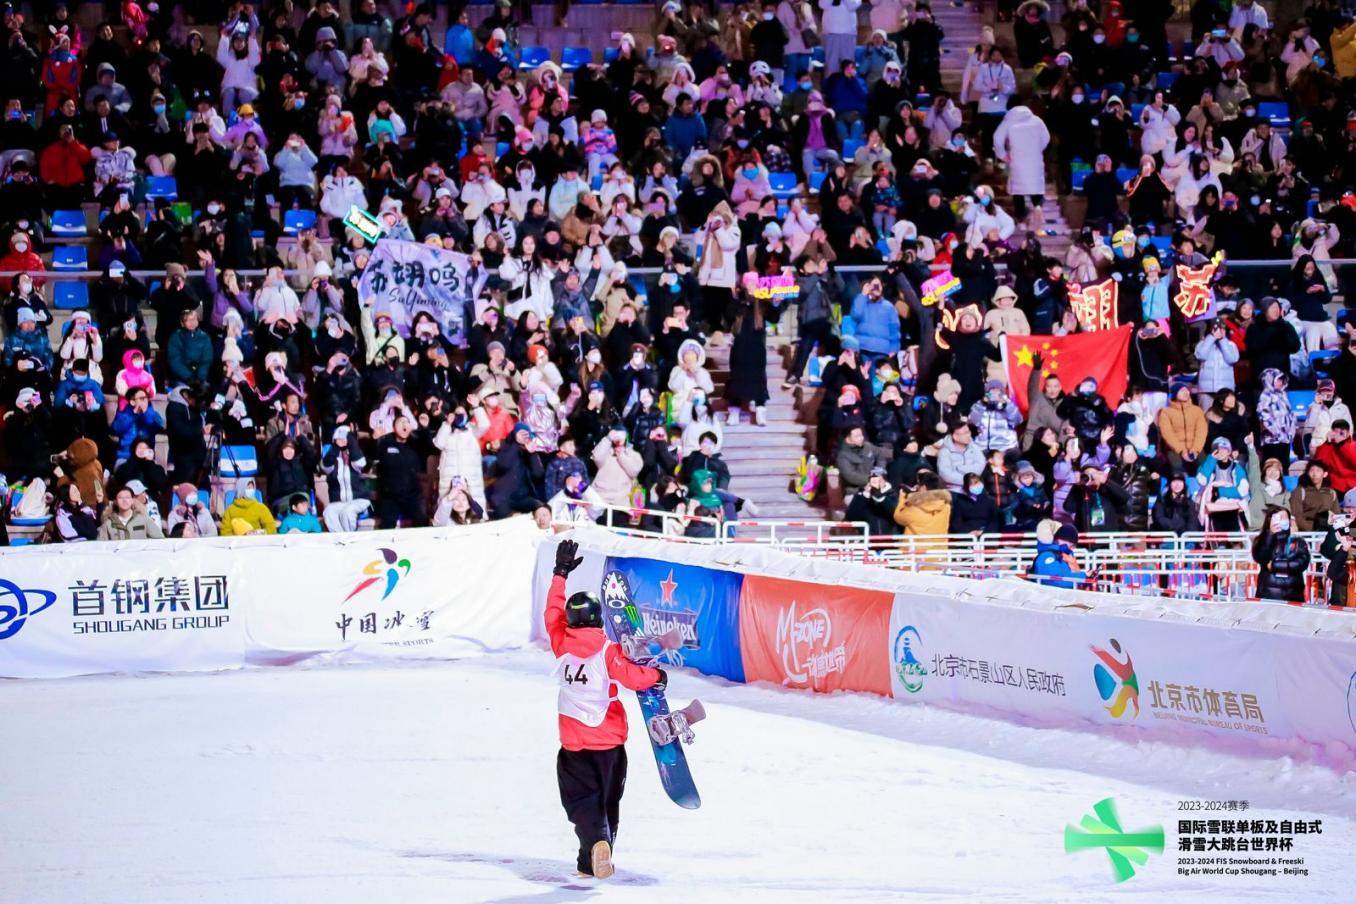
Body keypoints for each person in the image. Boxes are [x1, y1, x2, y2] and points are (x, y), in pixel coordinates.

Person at [545, 539, 665, 880]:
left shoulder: (560, 644)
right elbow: (633, 677)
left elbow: (551, 614)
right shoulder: (608, 651)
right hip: (609, 743)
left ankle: (591, 854)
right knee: (608, 800)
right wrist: (657, 675)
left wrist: (560, 574)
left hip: (573, 743)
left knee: (581, 800)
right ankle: (602, 844)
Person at [1252, 506, 1311, 604]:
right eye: (1277, 517)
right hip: (1269, 594)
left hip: (1293, 594)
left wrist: (1275, 566)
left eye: (1284, 517)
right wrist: (1270, 535)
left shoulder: (1298, 541)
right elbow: (1261, 557)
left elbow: (1301, 563)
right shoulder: (1262, 539)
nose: (1281, 520)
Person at [1027, 521, 1088, 588]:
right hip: (1050, 597)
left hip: (1059, 597)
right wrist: (1084, 577)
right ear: (1058, 539)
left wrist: (1086, 577)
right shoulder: (1047, 556)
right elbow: (1055, 580)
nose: (1072, 548)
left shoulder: (1063, 555)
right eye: (1071, 544)